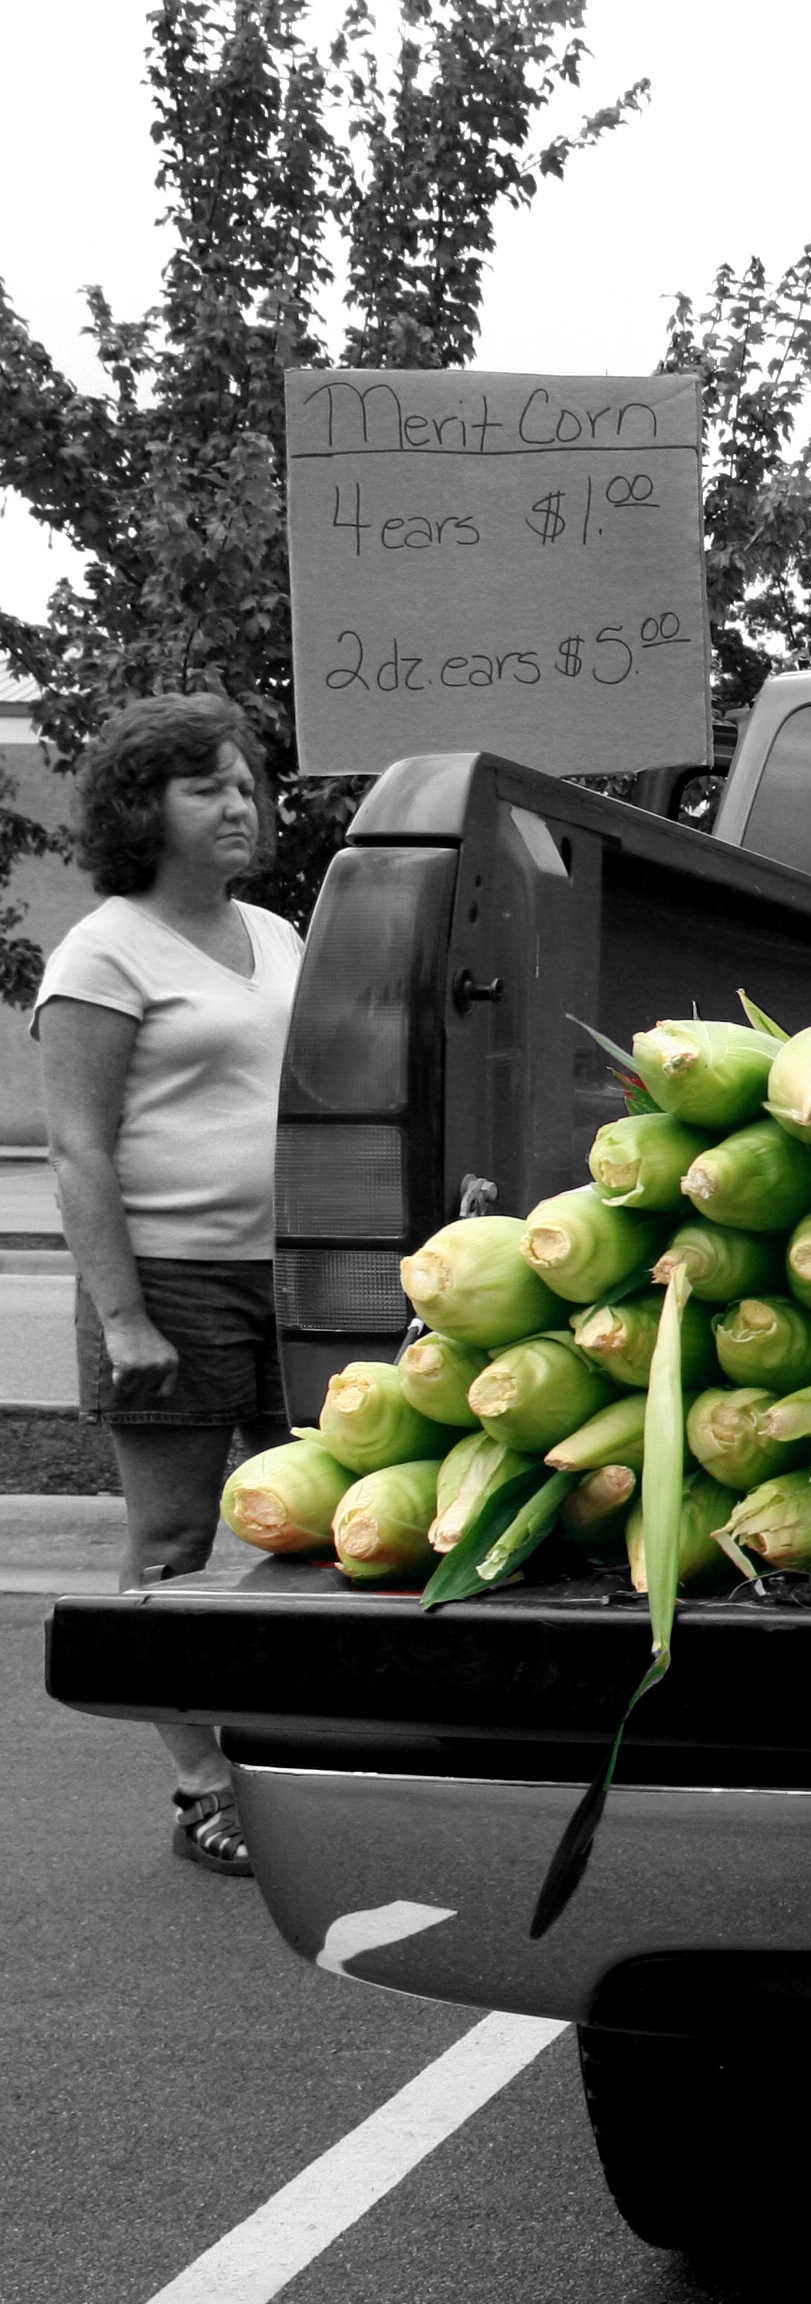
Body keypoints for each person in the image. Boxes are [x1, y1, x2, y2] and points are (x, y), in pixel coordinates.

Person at [36, 694, 302, 1878]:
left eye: (246, 784)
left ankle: (300, 1754)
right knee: (177, 1544)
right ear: (146, 808)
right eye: (209, 787)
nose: (239, 804)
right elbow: (78, 1147)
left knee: (314, 1527)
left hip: (293, 1277)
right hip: (173, 1285)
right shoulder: (104, 949)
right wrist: (122, 1312)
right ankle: (204, 1786)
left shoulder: (283, 935)